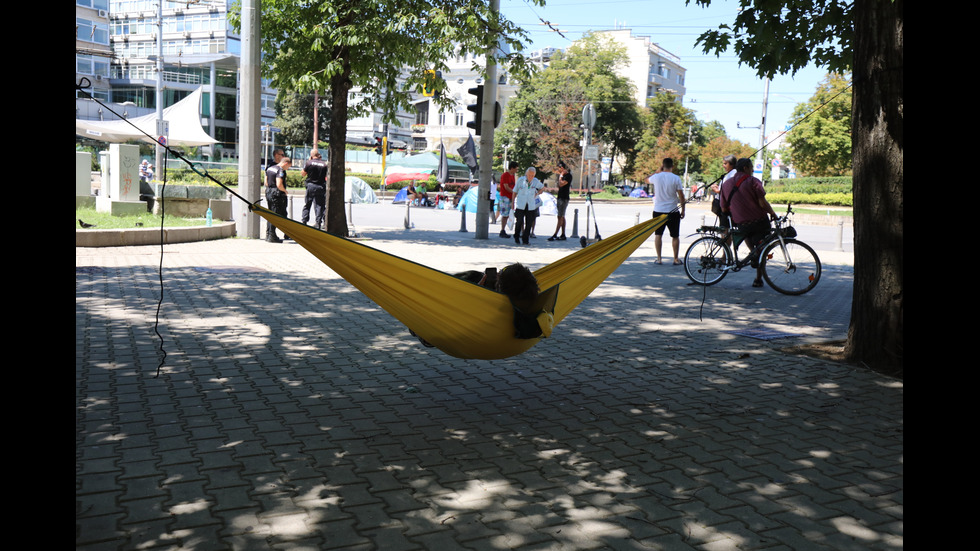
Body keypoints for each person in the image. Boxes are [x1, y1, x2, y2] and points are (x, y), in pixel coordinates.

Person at [719, 157, 778, 288]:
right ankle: (758, 278)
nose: (752, 170)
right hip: (759, 222)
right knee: (761, 250)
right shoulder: (753, 181)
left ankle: (753, 257)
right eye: (751, 168)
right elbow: (762, 202)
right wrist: (773, 213)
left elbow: (723, 208)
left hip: (740, 223)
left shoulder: (726, 184)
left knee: (753, 247)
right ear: (745, 168)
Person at [647, 158, 686, 265]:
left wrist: (657, 171)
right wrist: (683, 210)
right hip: (673, 210)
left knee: (658, 234)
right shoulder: (676, 178)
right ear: (672, 166)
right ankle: (676, 259)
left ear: (662, 166)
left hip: (658, 210)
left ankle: (659, 259)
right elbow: (681, 195)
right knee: (675, 236)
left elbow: (646, 179)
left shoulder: (656, 177)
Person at [512, 167, 544, 245]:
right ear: (526, 174)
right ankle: (516, 236)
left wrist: (537, 193)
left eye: (532, 175)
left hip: (530, 205)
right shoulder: (520, 180)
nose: (531, 177)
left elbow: (542, 188)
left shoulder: (535, 181)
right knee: (519, 221)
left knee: (529, 223)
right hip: (521, 204)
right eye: (529, 175)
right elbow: (514, 191)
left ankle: (525, 239)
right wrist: (512, 202)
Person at [265, 156, 291, 243]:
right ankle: (272, 236)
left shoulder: (270, 168)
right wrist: (285, 191)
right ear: (285, 163)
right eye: (288, 166)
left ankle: (268, 234)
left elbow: (266, 182)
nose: (288, 168)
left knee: (270, 213)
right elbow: (279, 184)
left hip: (269, 192)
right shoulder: (280, 170)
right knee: (275, 214)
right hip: (276, 194)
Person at [300, 150, 328, 230]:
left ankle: (304, 221)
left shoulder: (309, 163)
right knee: (319, 205)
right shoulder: (324, 164)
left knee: (308, 204)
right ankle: (318, 222)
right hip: (320, 186)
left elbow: (303, 173)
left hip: (311, 185)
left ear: (311, 155)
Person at [711, 155, 737, 232]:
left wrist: (718, 191)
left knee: (725, 229)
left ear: (731, 164)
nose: (723, 165)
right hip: (723, 205)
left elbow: (729, 191)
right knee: (725, 228)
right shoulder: (730, 174)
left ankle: (725, 244)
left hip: (726, 207)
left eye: (725, 164)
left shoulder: (732, 174)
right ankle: (725, 243)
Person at [548, 162, 572, 241]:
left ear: (562, 168)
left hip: (564, 198)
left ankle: (555, 234)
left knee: (560, 216)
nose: (558, 170)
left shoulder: (568, 176)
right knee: (561, 216)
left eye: (558, 168)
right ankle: (563, 234)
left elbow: (561, 184)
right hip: (560, 197)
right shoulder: (562, 176)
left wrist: (561, 176)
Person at [498, 162, 518, 238]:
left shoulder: (512, 176)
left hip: (510, 197)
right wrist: (514, 192)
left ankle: (504, 230)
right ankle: (502, 230)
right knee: (505, 214)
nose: (516, 170)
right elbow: (506, 187)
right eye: (516, 169)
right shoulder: (505, 175)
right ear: (512, 168)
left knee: (509, 213)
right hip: (505, 197)